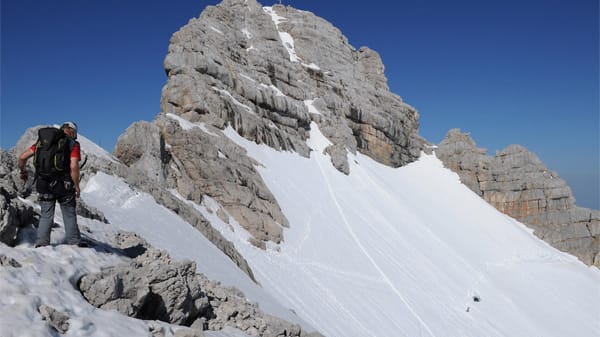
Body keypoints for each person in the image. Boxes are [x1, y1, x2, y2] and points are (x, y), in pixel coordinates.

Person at [18, 122, 84, 247]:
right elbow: (74, 165)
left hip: (43, 183)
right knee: (69, 213)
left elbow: (22, 157)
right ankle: (74, 242)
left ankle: (42, 243)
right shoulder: (72, 144)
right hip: (63, 185)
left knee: (46, 214)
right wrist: (76, 185)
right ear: (73, 132)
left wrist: (23, 171)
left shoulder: (42, 142)